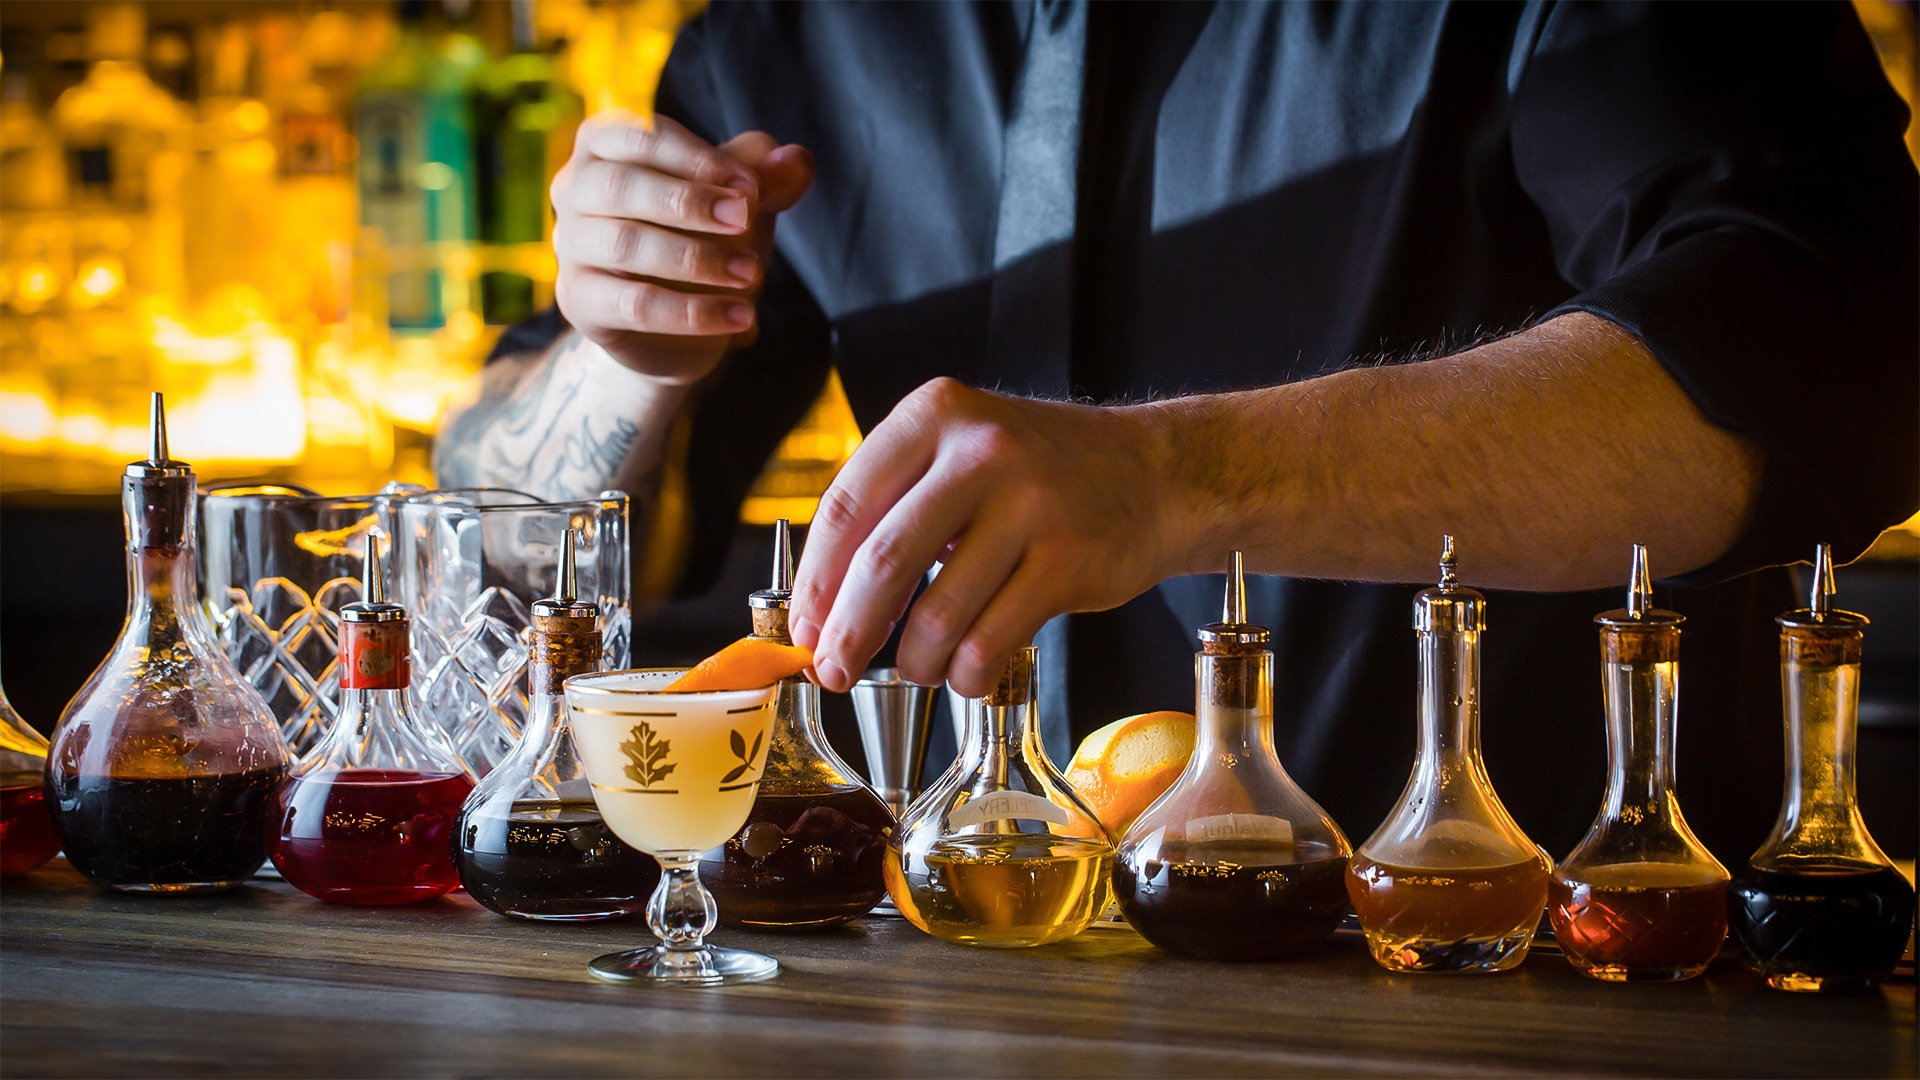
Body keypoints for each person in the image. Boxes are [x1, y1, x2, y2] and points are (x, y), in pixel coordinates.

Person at [435, 2, 1918, 858]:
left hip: (1520, 989)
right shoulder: (795, 29)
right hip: (988, 976)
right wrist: (621, 359)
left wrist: (1180, 480)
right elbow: (502, 543)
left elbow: (1838, 342)